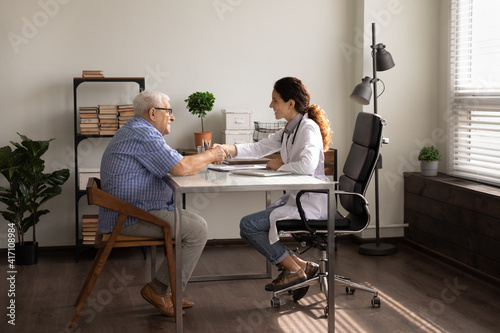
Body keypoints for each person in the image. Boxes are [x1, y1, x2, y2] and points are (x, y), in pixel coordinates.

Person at [98, 90, 228, 317]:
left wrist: (206, 157)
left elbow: (179, 164)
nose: (173, 117)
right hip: (129, 217)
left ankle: (164, 290)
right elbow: (181, 168)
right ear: (152, 112)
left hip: (133, 211)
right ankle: (158, 290)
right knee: (197, 230)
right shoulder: (143, 134)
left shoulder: (139, 131)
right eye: (169, 111)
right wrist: (213, 153)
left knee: (197, 223)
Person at [221, 77, 332, 298]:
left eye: (275, 100)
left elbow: (307, 165)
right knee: (249, 225)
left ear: (290, 103)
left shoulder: (307, 128)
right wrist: (225, 149)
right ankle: (301, 267)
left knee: (249, 225)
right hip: (297, 200)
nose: (270, 105)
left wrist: (281, 166)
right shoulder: (291, 129)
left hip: (309, 204)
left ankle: (294, 269)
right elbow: (259, 147)